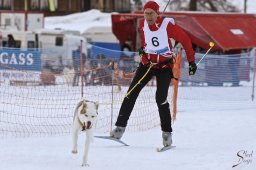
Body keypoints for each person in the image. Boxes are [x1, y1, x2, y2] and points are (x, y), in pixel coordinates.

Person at [110, 1, 197, 147]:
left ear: (158, 13)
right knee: (131, 93)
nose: (148, 16)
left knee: (160, 98)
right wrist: (143, 50)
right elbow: (146, 41)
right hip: (147, 65)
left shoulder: (167, 26)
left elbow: (186, 40)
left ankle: (167, 135)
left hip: (164, 67)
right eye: (146, 13)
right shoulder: (142, 25)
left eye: (151, 13)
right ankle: (119, 129)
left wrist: (192, 62)